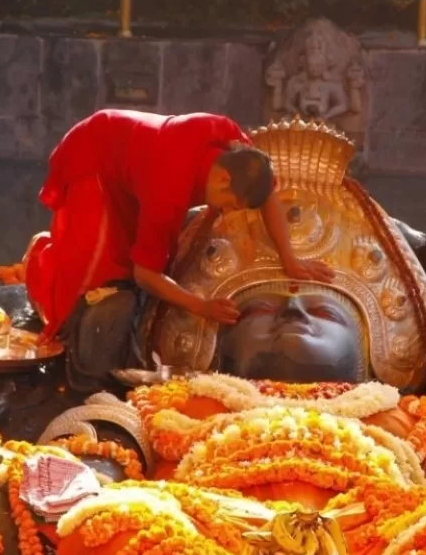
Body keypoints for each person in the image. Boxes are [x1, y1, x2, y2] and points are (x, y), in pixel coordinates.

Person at [24, 109, 334, 392]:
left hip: (135, 162)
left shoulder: (236, 147)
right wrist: (201, 306)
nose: (226, 214)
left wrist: (290, 260)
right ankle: (41, 265)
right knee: (96, 277)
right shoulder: (168, 192)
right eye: (230, 205)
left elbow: (267, 196)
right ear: (224, 179)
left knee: (129, 257)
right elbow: (146, 274)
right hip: (93, 154)